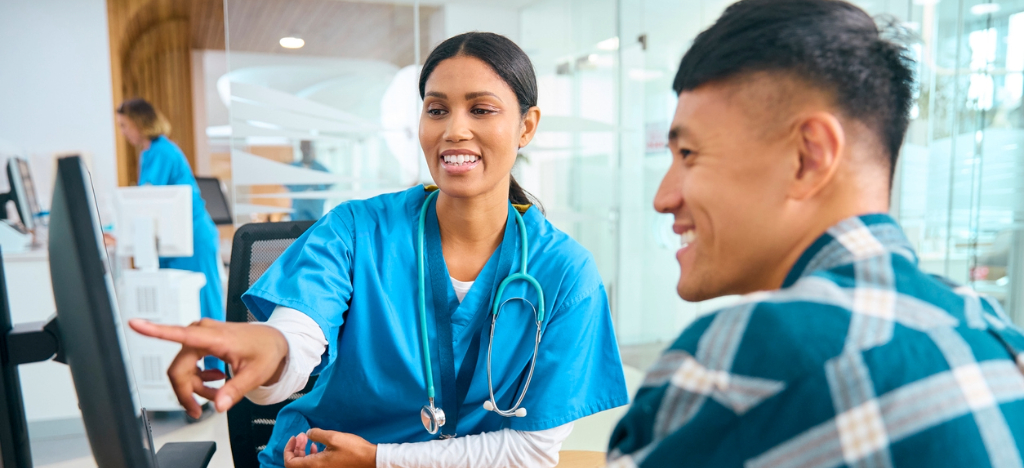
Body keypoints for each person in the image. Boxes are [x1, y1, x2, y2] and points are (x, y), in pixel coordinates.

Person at [130, 32, 629, 468]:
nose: (454, 129)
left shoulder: (564, 273)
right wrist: (271, 351)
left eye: (481, 109)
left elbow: (530, 453)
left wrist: (379, 461)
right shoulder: (356, 230)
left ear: (526, 126)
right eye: (437, 109)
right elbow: (298, 336)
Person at [608, 0, 1024, 466]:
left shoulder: (739, 365)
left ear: (808, 157)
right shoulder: (996, 335)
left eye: (688, 153)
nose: (663, 198)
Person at [116, 98, 225, 372]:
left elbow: (147, 200)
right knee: (180, 308)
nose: (123, 132)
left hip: (191, 237)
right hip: (174, 240)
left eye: (124, 125)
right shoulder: (149, 152)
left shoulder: (162, 151)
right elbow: (146, 203)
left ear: (140, 123)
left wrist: (119, 232)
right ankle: (189, 371)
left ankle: (216, 371)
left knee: (203, 303)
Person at [286, 140, 331, 221]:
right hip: (298, 211)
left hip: (315, 211)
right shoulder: (293, 168)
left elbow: (330, 183)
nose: (306, 150)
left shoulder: (320, 169)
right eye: (304, 147)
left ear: (313, 148)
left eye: (309, 147)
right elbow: (286, 183)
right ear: (300, 148)